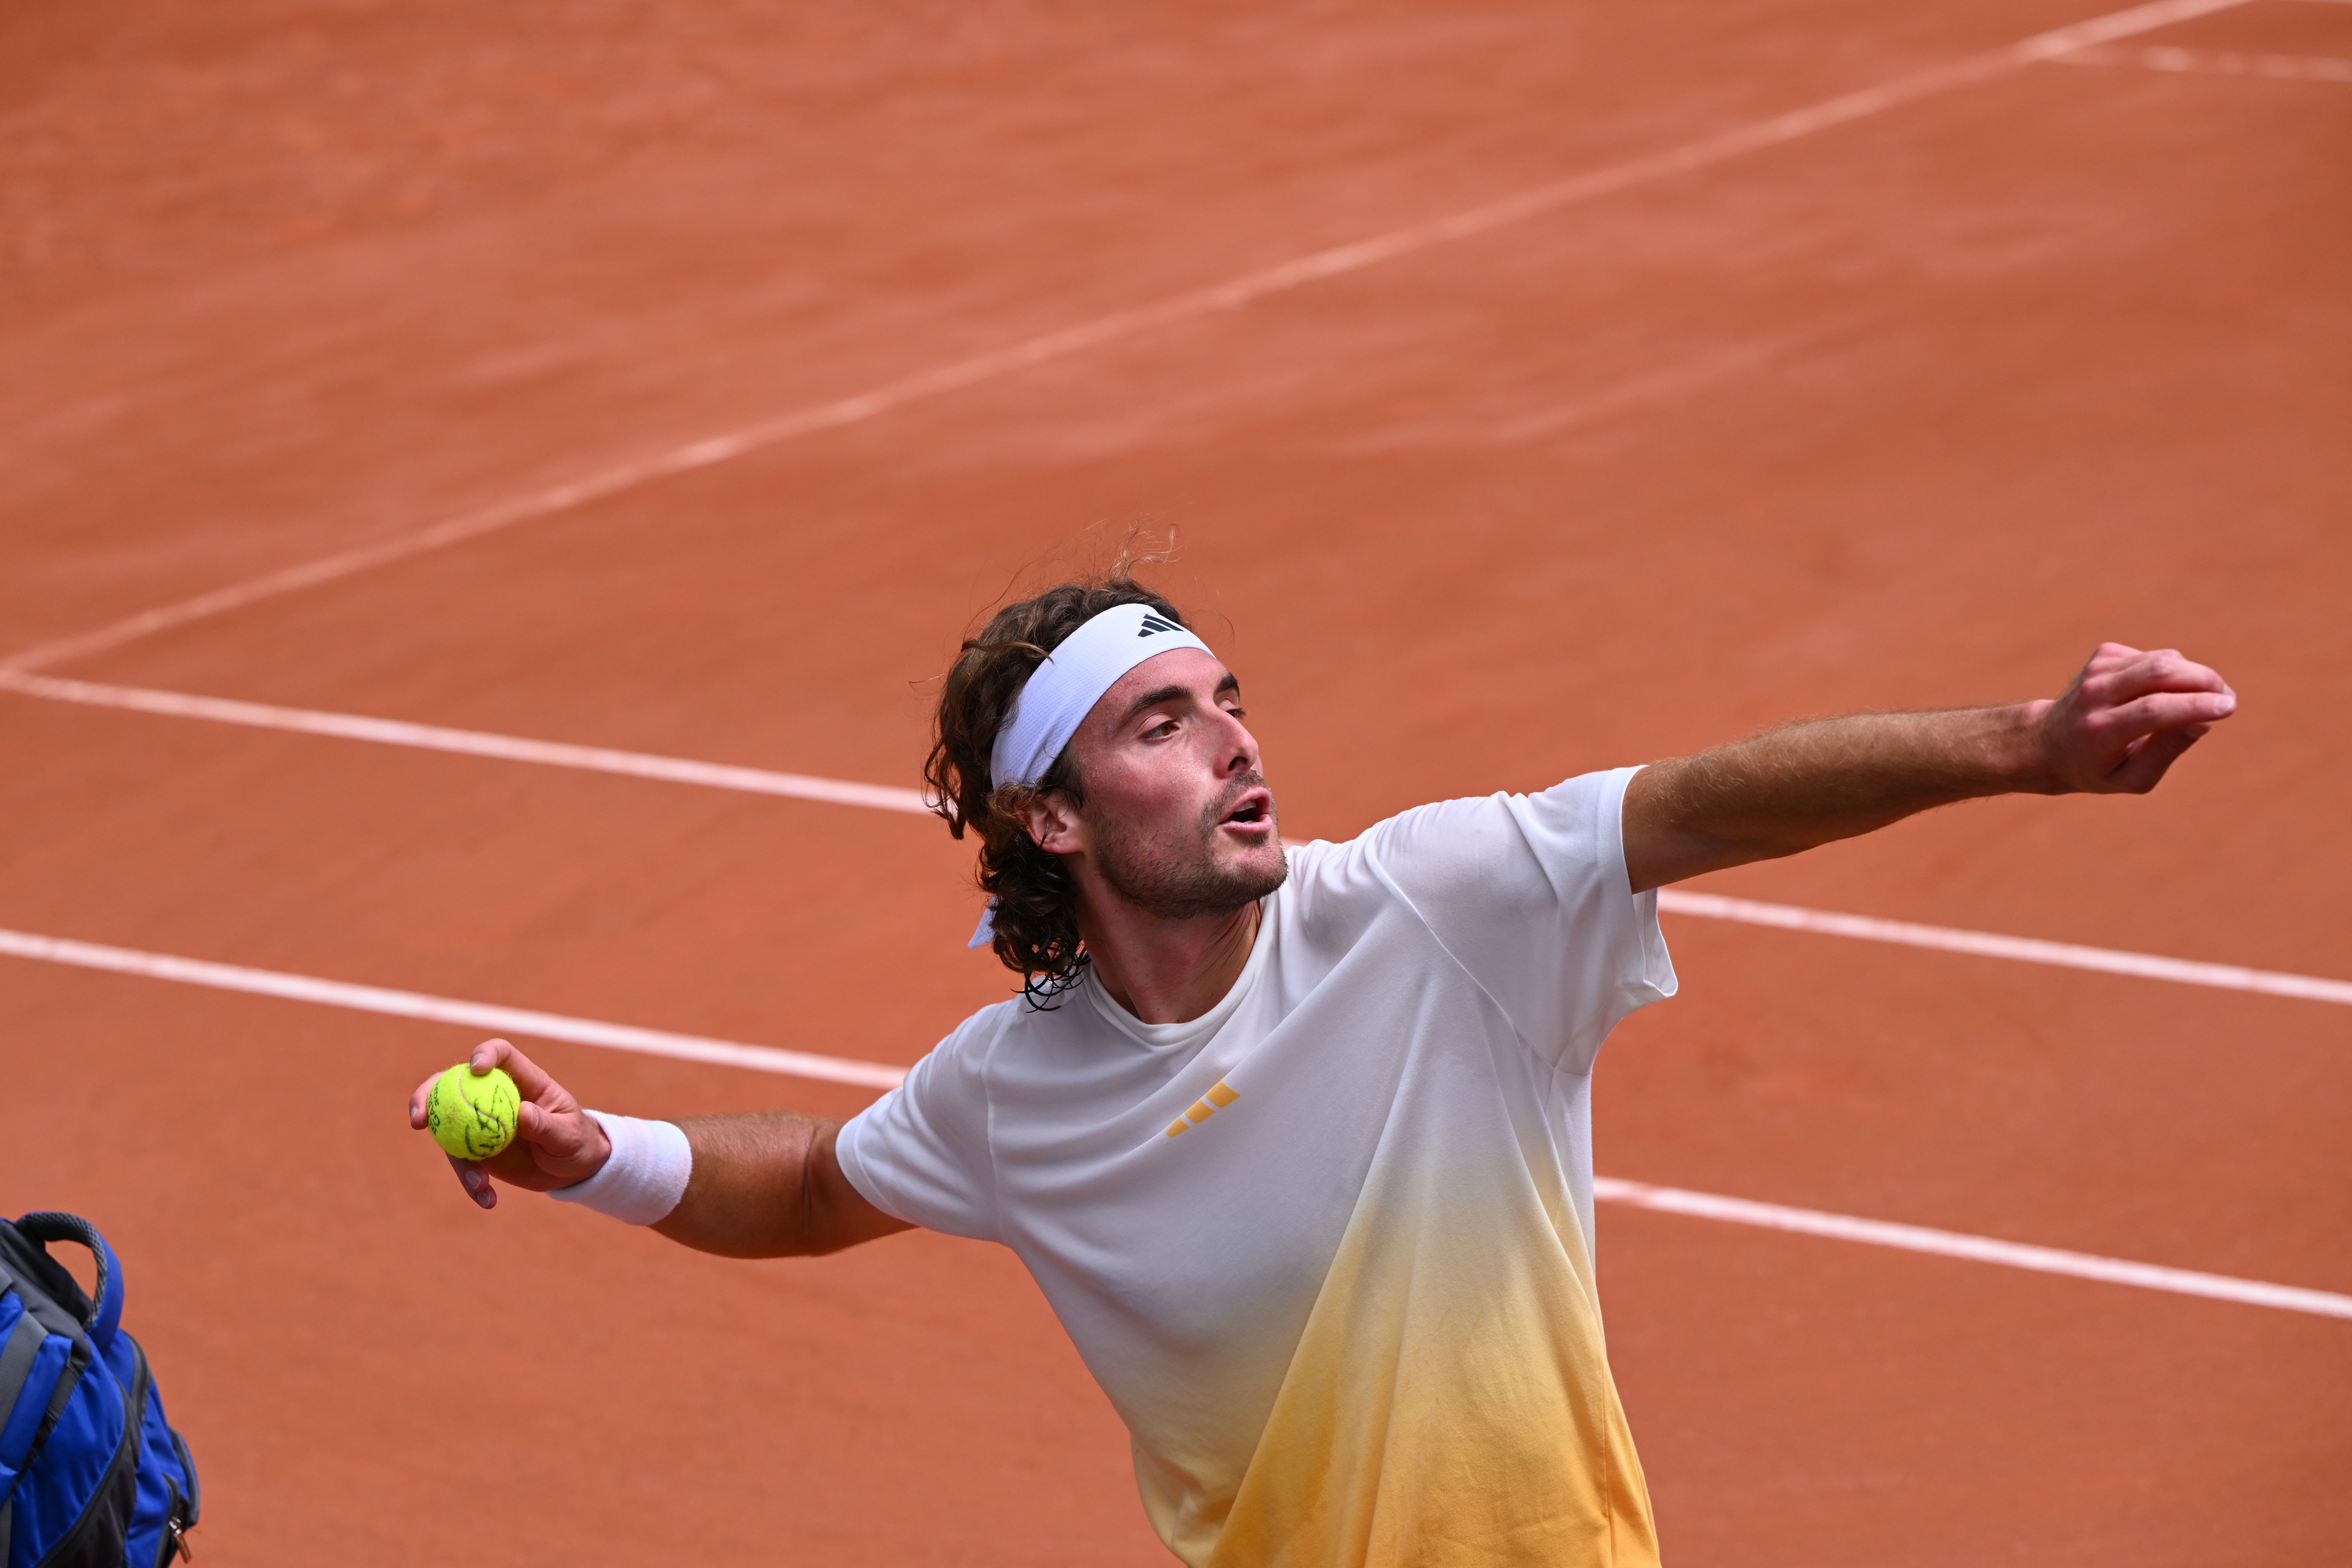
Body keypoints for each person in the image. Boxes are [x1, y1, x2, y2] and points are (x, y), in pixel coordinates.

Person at [408, 578, 2234, 1566]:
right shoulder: (1008, 1087)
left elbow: (1698, 800)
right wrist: (601, 1153)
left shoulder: (1429, 910)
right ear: (1051, 817)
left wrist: (2026, 745)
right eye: (1161, 721)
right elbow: (814, 1183)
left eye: (1230, 700)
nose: (1235, 743)